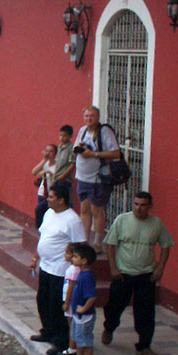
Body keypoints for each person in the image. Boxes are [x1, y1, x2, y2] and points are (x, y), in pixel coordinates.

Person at [102, 191, 174, 355]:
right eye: (136, 204)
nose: (138, 208)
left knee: (146, 312)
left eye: (143, 205)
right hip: (123, 274)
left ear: (150, 206)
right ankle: (109, 328)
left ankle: (144, 345)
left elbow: (166, 246)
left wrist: (160, 268)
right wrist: (113, 267)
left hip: (145, 275)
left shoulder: (156, 224)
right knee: (114, 307)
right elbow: (110, 244)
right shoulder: (122, 220)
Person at [29, 184, 86, 355]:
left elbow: (80, 245)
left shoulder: (72, 220)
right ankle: (47, 331)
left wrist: (75, 266)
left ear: (61, 200)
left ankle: (60, 341)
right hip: (45, 266)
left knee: (56, 305)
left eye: (51, 197)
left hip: (61, 269)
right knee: (43, 300)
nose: (48, 199)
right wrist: (35, 258)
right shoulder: (49, 213)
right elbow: (43, 237)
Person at [73, 105, 121, 250]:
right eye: (86, 116)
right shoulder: (82, 130)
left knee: (97, 210)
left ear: (98, 117)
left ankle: (98, 243)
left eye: (92, 116)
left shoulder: (104, 132)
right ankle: (84, 241)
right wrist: (80, 150)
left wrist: (93, 154)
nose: (89, 119)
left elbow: (116, 153)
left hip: (98, 179)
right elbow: (75, 148)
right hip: (82, 177)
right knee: (84, 209)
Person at [63, 243, 98, 355]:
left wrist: (84, 308)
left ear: (84, 261)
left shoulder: (87, 277)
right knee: (78, 337)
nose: (72, 258)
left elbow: (91, 297)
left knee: (86, 341)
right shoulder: (82, 273)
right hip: (78, 315)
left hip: (85, 316)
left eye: (76, 256)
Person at [31, 144, 58, 229]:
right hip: (42, 192)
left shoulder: (57, 165)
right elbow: (34, 172)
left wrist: (48, 172)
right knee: (42, 213)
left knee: (39, 210)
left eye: (51, 151)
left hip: (50, 193)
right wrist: (44, 159)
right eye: (47, 151)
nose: (48, 153)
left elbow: (56, 178)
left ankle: (40, 229)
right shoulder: (45, 163)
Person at [53, 124, 75, 194]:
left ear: (70, 136)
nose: (62, 138)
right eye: (60, 135)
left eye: (64, 136)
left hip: (65, 179)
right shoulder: (59, 147)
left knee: (64, 198)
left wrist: (63, 176)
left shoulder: (71, 148)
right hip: (56, 177)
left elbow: (72, 164)